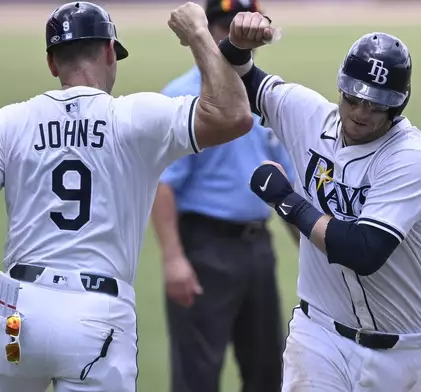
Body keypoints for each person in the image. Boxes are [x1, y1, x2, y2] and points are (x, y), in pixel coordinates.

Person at [0, 2, 254, 391]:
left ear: (53, 63)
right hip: (99, 317)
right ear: (109, 52)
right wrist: (198, 35)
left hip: (20, 314)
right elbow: (234, 115)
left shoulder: (8, 121)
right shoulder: (136, 118)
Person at [217, 12, 421, 392]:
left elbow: (362, 250)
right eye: (353, 98)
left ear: (396, 106)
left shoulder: (410, 158)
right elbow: (235, 77)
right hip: (319, 336)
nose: (359, 112)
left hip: (405, 355)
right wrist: (237, 44)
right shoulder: (306, 115)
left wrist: (286, 200)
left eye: (375, 105)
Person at [150, 1, 298, 391]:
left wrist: (311, 254)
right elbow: (163, 184)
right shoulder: (183, 96)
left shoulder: (268, 97)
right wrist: (174, 259)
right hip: (204, 249)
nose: (236, 37)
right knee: (197, 374)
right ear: (209, 30)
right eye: (225, 27)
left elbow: (287, 184)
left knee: (268, 370)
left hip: (257, 248)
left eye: (245, 28)